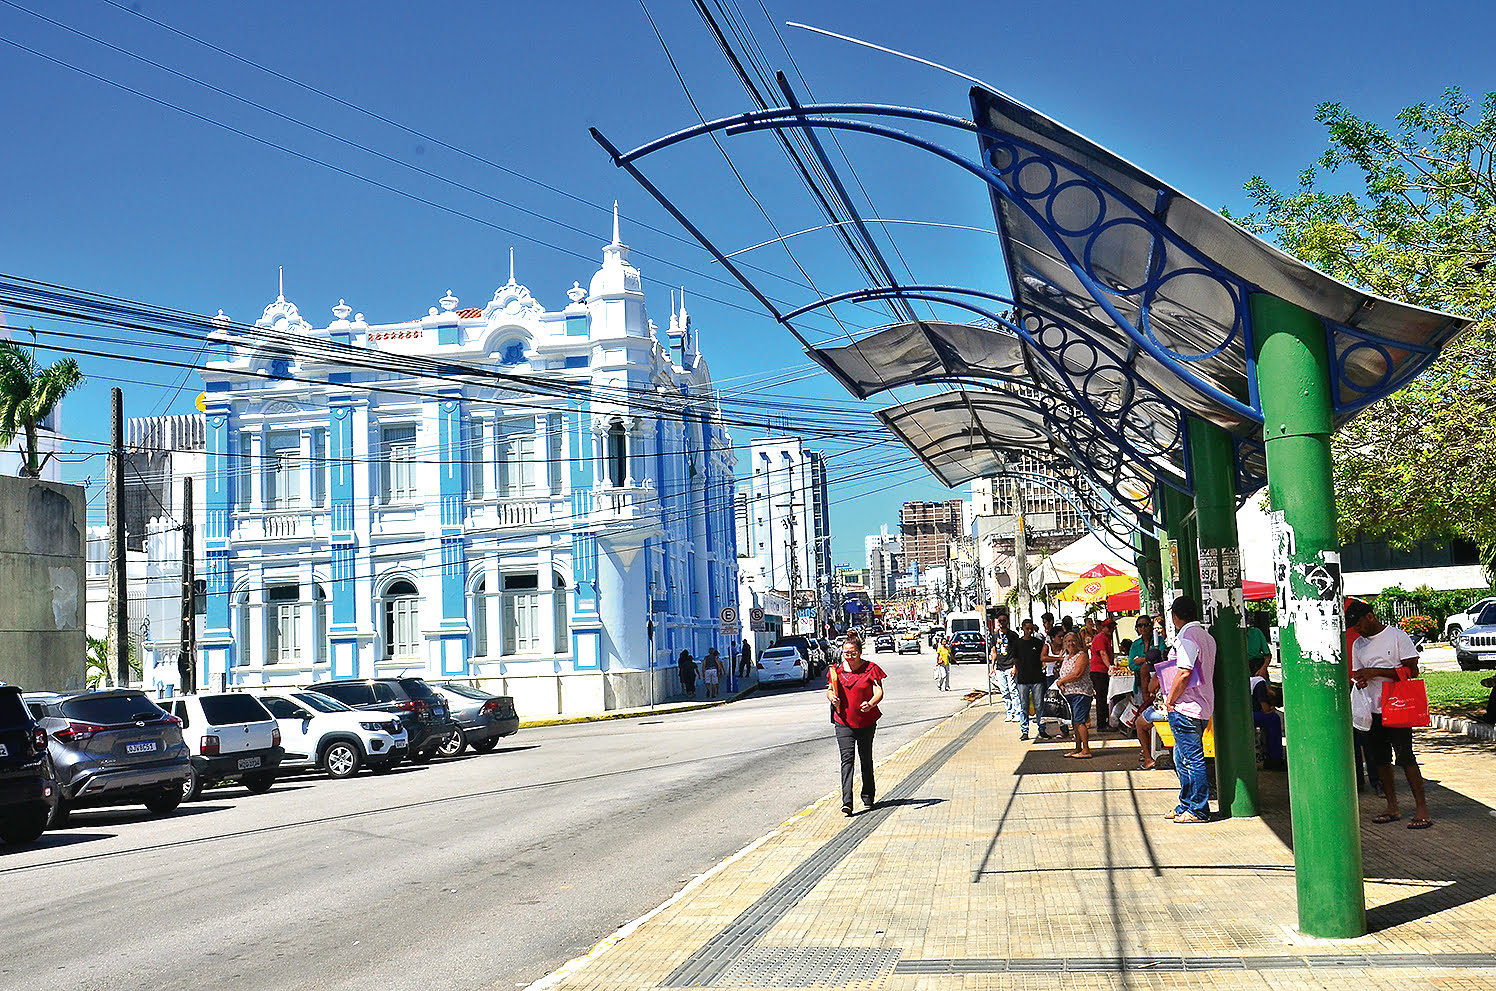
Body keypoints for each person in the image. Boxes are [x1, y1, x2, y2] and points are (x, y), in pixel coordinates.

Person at [1347, 599, 1432, 830]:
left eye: (1359, 624)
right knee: (1380, 759)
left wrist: (1376, 672)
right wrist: (1362, 679)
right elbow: (1357, 673)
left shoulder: (1397, 637)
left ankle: (1422, 808)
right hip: (1372, 709)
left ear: (1370, 616)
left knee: (1405, 756)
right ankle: (1392, 806)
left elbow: (1411, 670)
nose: (1357, 629)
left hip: (1398, 706)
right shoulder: (1358, 645)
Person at [1161, 595, 1215, 823]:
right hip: (1202, 704)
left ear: (1175, 616)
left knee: (1192, 759)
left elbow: (1184, 672)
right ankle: (1186, 803)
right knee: (1181, 756)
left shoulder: (1186, 637)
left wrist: (1170, 699)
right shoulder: (1206, 637)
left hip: (1186, 706)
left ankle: (1198, 809)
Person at [827, 631, 885, 816]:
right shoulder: (836, 671)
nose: (849, 657)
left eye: (853, 653)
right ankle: (847, 802)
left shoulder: (870, 669)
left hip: (866, 721)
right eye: (846, 653)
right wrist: (833, 698)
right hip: (843, 721)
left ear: (860, 652)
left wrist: (871, 704)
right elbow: (830, 690)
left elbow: (878, 691)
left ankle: (868, 797)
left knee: (866, 759)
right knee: (847, 760)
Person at [1128, 615, 1165, 770]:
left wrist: (1142, 661)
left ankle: (1150, 754)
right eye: (1140, 626)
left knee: (1143, 722)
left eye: (1146, 625)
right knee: (1142, 718)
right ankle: (1147, 750)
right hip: (1143, 689)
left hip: (1157, 701)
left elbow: (1159, 658)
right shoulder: (1135, 644)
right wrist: (1146, 661)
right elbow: (1132, 664)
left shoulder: (1160, 641)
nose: (1143, 628)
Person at [1055, 631, 1094, 758]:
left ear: (1078, 642)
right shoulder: (1066, 657)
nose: (1070, 643)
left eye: (1073, 641)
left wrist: (1062, 681)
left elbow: (1078, 674)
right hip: (1069, 693)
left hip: (1081, 692)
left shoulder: (1081, 656)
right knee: (1074, 722)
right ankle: (1077, 748)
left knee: (1080, 721)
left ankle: (1086, 750)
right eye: (1067, 641)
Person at [1012, 619, 1047, 741]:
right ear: (1022, 629)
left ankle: (1042, 729)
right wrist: (1016, 671)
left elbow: (1042, 657)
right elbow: (1015, 660)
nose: (1029, 631)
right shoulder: (1017, 643)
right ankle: (1024, 731)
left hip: (1037, 678)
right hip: (1023, 679)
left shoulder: (1038, 642)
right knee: (1024, 706)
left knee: (1039, 706)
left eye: (1031, 628)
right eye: (1027, 628)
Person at [1251, 667, 1286, 771]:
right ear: (1273, 693)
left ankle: (1271, 756)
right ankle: (1275, 758)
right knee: (1273, 719)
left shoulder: (1257, 681)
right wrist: (1272, 709)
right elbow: (1266, 709)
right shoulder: (1260, 683)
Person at [989, 615, 1018, 722]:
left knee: (1013, 690)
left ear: (1007, 621)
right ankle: (1009, 712)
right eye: (1000, 621)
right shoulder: (995, 635)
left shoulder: (1013, 635)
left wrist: (1015, 667)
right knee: (1004, 692)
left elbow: (1016, 653)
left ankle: (1017, 712)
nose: (1002, 622)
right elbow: (994, 652)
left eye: (1004, 620)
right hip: (999, 667)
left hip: (1010, 666)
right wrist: (992, 667)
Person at [1089, 618, 1116, 731]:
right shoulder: (1101, 638)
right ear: (1102, 627)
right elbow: (1103, 653)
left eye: (1112, 627)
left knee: (1104, 697)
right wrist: (1110, 667)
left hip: (1101, 670)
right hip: (1099, 671)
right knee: (1101, 698)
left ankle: (1105, 721)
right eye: (1108, 627)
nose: (1111, 629)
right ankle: (1101, 724)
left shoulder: (1106, 638)